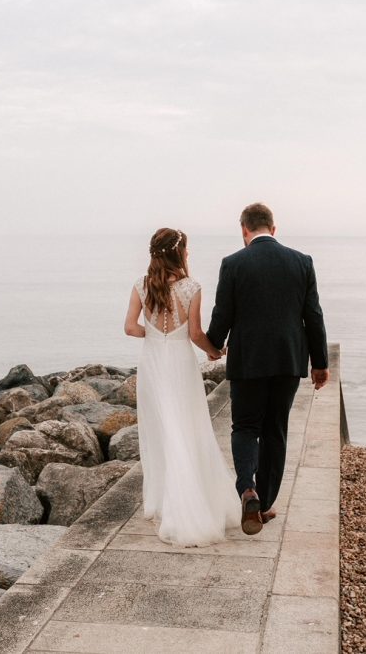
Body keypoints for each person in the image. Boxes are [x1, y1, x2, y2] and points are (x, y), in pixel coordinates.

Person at [206, 203, 329, 535]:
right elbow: (313, 316)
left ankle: (248, 490)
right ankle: (266, 501)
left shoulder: (233, 264)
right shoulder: (301, 262)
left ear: (244, 230)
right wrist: (320, 364)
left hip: (248, 360)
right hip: (288, 361)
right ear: (273, 229)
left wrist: (213, 344)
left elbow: (222, 315)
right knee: (275, 428)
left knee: (245, 426)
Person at [124, 228, 241, 546]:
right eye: (186, 249)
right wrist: (213, 350)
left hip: (153, 364)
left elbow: (130, 327)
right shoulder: (192, 288)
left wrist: (154, 336)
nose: (189, 254)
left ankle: (165, 502)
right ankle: (188, 504)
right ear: (179, 253)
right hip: (180, 363)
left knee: (163, 430)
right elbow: (194, 333)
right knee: (186, 428)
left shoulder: (141, 285)